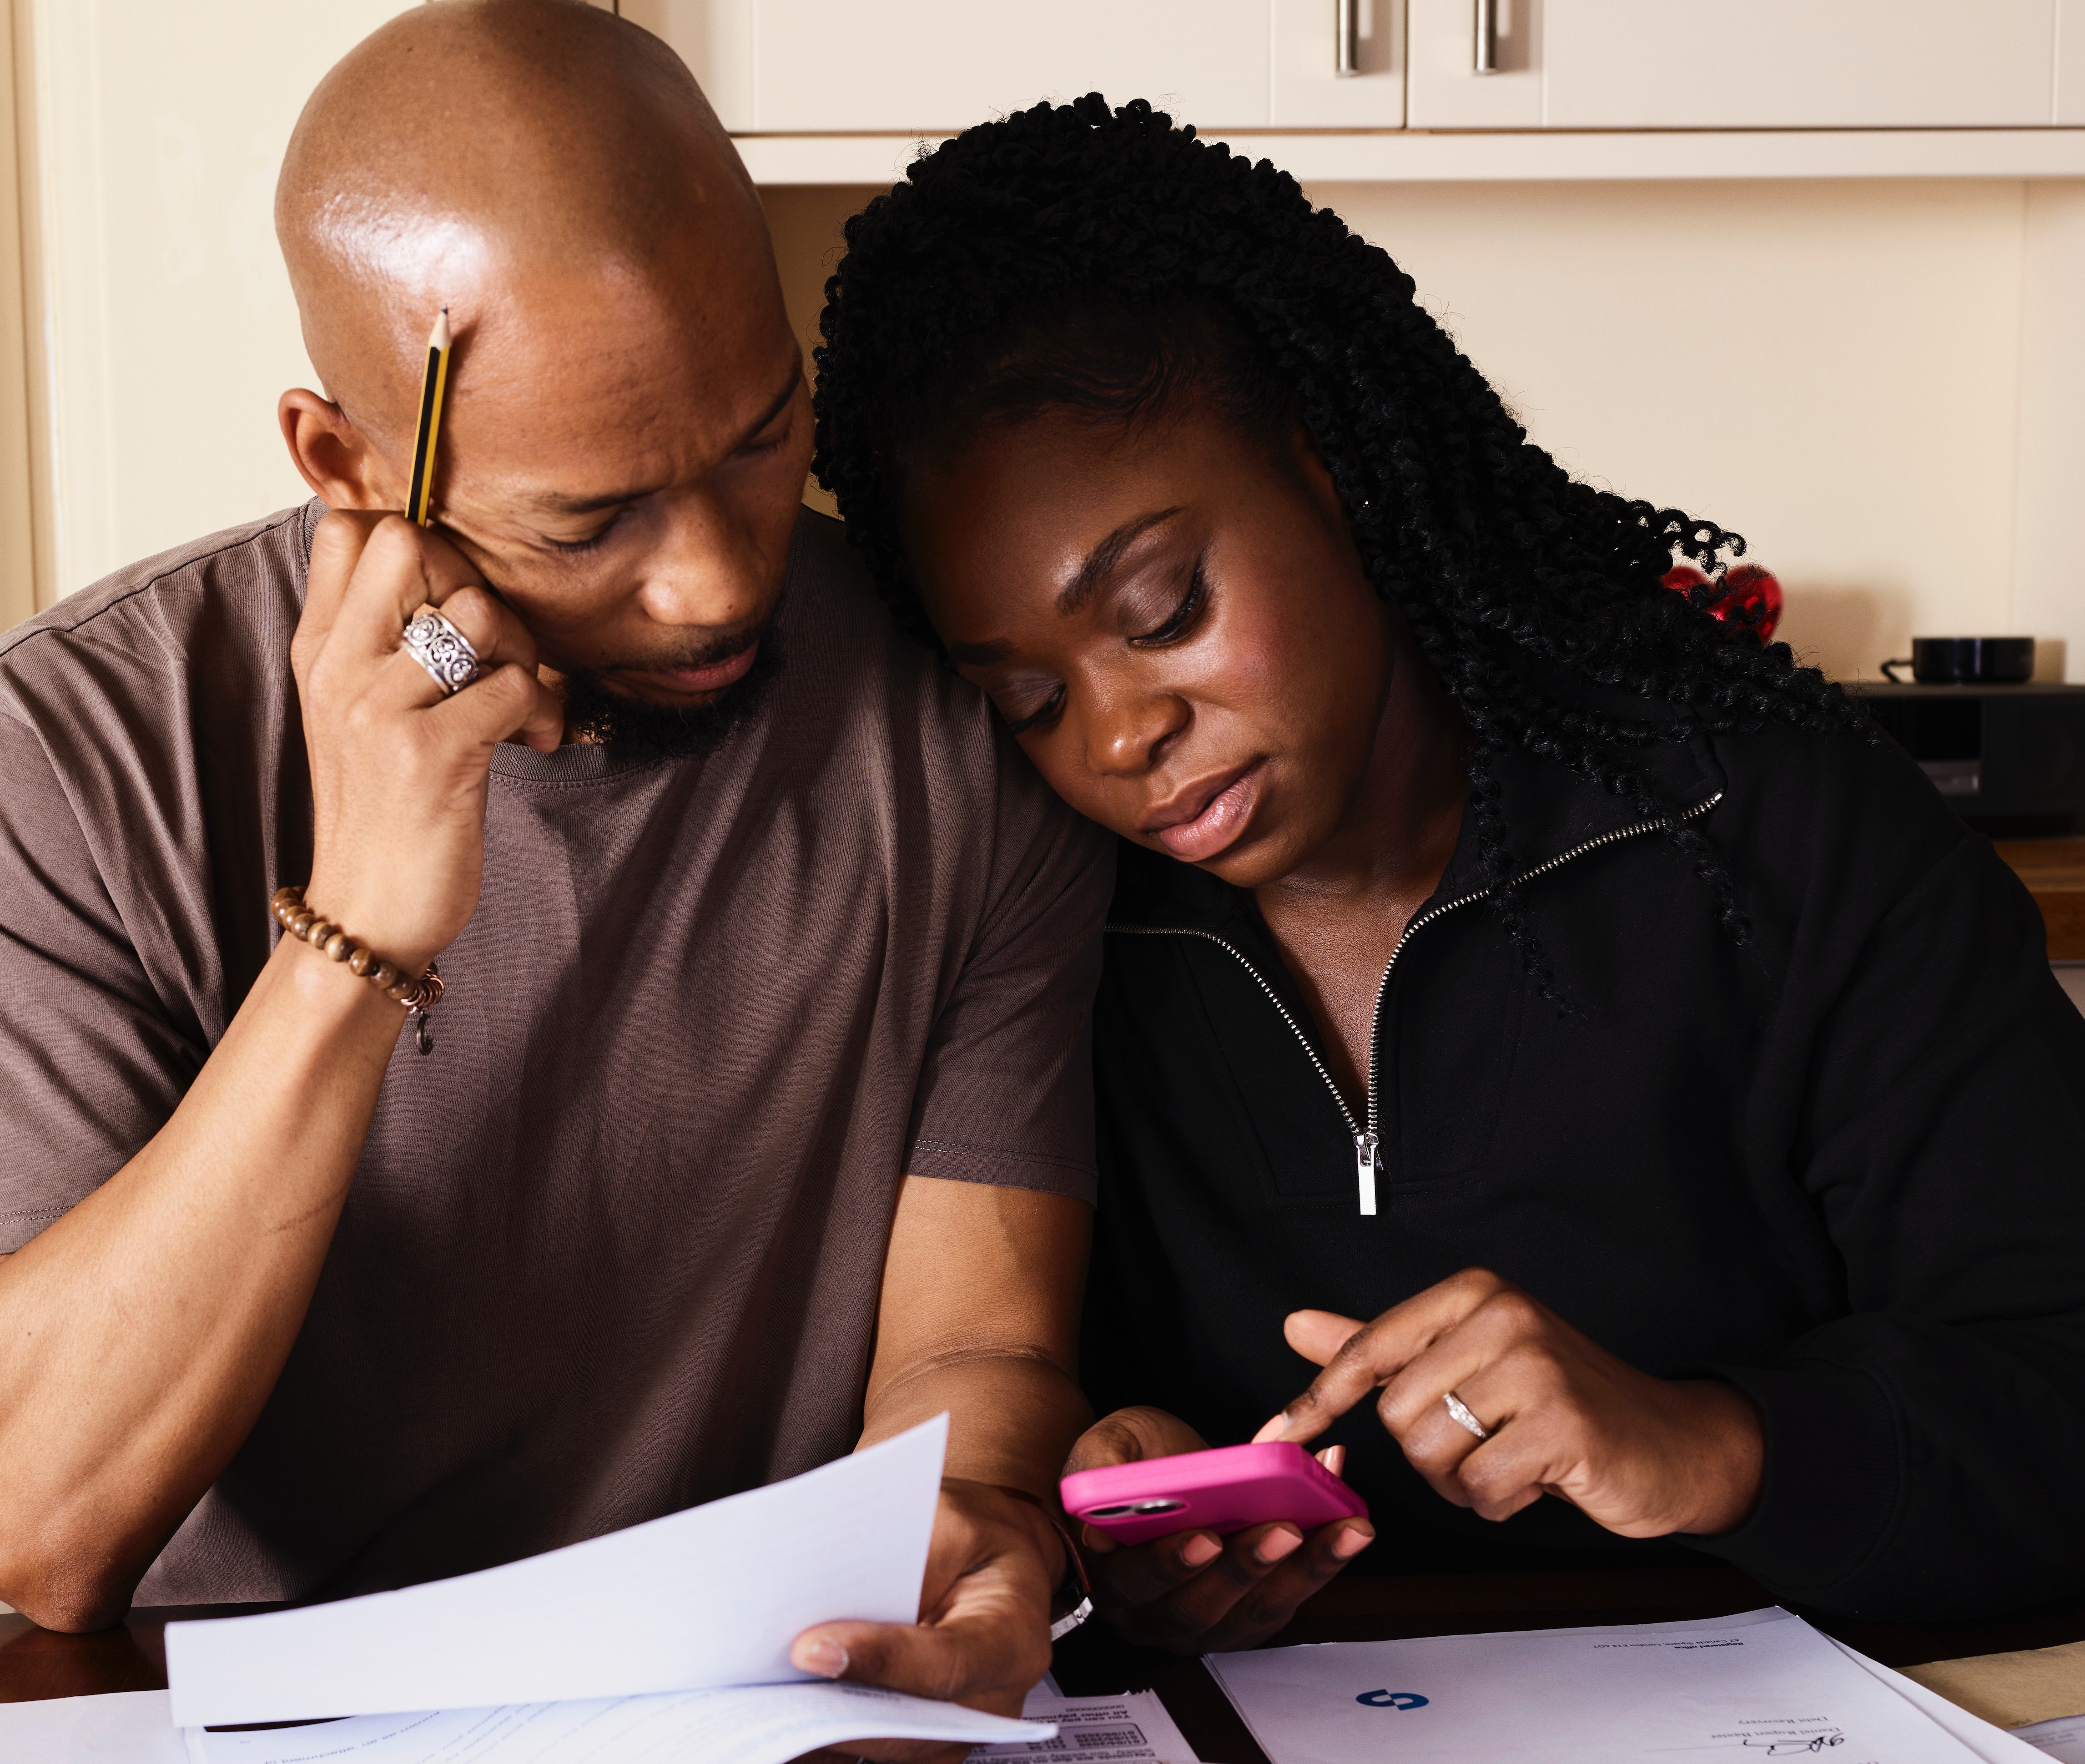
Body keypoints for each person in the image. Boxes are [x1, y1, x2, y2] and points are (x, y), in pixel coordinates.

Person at [0, 0, 1109, 1754]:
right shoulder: (72, 748)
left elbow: (968, 1356)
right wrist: (364, 923)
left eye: (762, 437)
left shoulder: (958, 702)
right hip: (253, 1761)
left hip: (763, 1723)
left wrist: (976, 1526)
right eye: (589, 518)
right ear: (346, 462)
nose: (711, 581)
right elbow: (40, 1534)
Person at [810, 94, 2085, 1650]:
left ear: (1331, 464)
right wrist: (1114, 1503)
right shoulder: (1051, 930)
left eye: (1160, 609)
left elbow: (2056, 1395)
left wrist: (1707, 1443)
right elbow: (1022, 1391)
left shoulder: (1773, 834)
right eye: (1026, 697)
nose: (1119, 736)